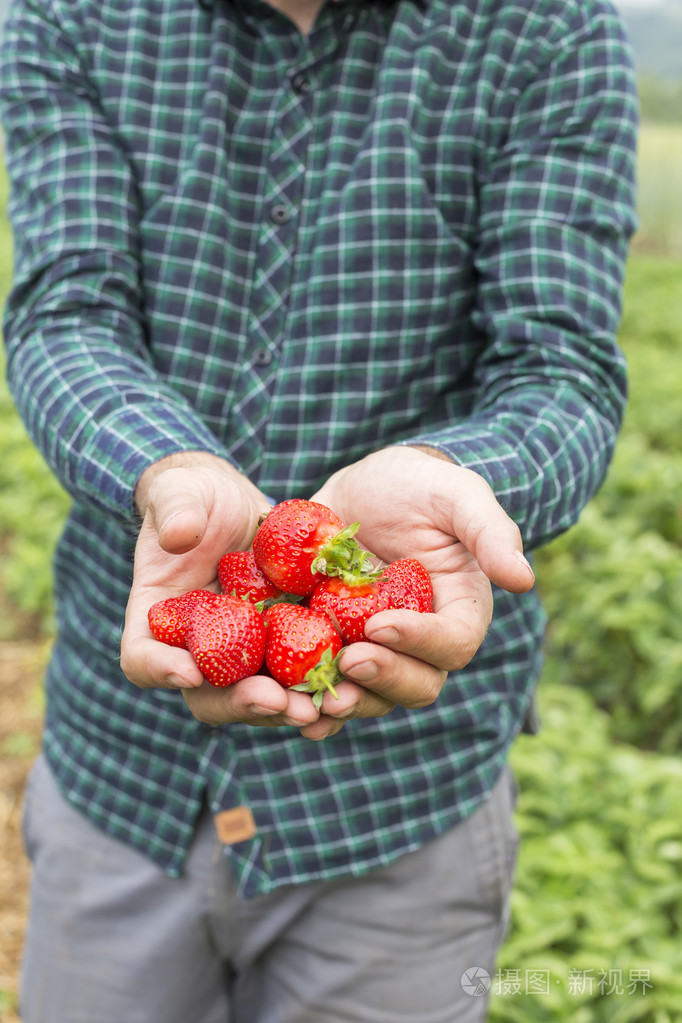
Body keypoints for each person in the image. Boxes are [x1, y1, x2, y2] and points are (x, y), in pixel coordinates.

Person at [0, 0, 637, 1019]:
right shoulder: (73, 12)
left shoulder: (543, 23)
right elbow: (66, 309)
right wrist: (166, 468)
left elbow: (557, 368)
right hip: (122, 764)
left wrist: (453, 474)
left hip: (399, 798)